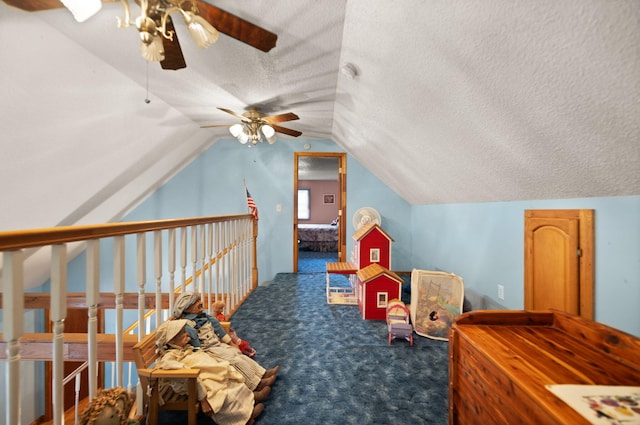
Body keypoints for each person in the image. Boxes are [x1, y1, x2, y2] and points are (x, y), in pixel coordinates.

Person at [155, 319, 265, 425]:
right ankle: (242, 420)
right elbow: (181, 372)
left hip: (204, 374)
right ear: (172, 341)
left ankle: (249, 402)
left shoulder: (184, 349)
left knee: (230, 380)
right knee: (220, 393)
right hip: (193, 383)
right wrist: (203, 398)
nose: (187, 334)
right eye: (183, 333)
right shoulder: (169, 357)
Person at [173, 292, 279, 393]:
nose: (200, 303)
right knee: (234, 361)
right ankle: (256, 384)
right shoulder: (188, 325)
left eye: (199, 300)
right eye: (195, 302)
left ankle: (262, 373)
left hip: (217, 345)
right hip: (208, 350)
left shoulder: (205, 317)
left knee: (238, 354)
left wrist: (231, 343)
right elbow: (197, 346)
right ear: (187, 308)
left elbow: (219, 329)